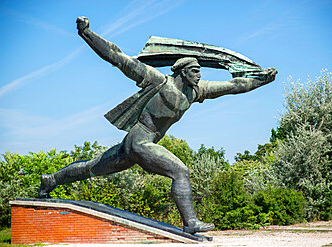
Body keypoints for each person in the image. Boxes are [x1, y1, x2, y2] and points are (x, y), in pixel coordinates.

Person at [38, 16, 277, 234]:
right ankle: (190, 222)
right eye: (195, 71)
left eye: (199, 72)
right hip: (139, 141)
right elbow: (117, 57)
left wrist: (262, 80)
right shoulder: (157, 81)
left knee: (93, 167)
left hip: (135, 146)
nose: (199, 76)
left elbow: (233, 86)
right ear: (183, 72)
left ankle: (50, 180)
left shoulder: (195, 92)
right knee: (180, 172)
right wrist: (87, 33)